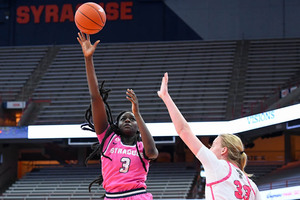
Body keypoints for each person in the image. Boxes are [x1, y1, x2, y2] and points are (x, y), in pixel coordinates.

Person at [77, 31, 159, 200]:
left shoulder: (143, 147)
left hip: (137, 195)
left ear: (138, 127)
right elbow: (95, 97)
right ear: (117, 125)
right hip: (111, 197)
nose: (128, 119)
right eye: (124, 118)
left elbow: (152, 152)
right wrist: (88, 59)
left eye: (132, 119)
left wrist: (137, 112)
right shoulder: (108, 139)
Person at [157, 72, 262, 200]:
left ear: (224, 150)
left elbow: (183, 130)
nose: (209, 149)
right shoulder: (252, 186)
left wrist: (165, 97)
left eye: (213, 145)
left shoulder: (217, 166)